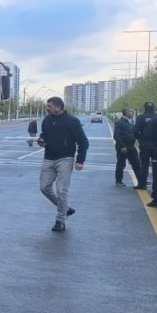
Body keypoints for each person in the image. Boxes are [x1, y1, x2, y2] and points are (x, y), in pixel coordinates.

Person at [37, 96, 88, 232]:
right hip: (49, 158)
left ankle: (60, 220)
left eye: (49, 106)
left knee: (61, 190)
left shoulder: (72, 121)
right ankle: (65, 208)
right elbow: (44, 134)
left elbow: (83, 141)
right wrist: (41, 140)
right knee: (44, 187)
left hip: (65, 158)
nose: (47, 108)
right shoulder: (47, 120)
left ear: (58, 107)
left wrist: (80, 160)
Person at [113, 106, 145, 189]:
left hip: (131, 146)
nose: (133, 113)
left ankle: (141, 181)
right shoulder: (120, 122)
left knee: (136, 164)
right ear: (126, 113)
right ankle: (119, 181)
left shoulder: (131, 122)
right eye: (131, 111)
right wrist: (122, 146)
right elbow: (116, 135)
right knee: (121, 164)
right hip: (123, 147)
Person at [136, 101, 157, 193]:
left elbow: (135, 130)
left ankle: (142, 184)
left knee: (144, 165)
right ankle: (156, 186)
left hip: (145, 145)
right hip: (156, 146)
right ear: (153, 108)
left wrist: (140, 139)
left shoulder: (141, 117)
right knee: (156, 166)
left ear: (144, 108)